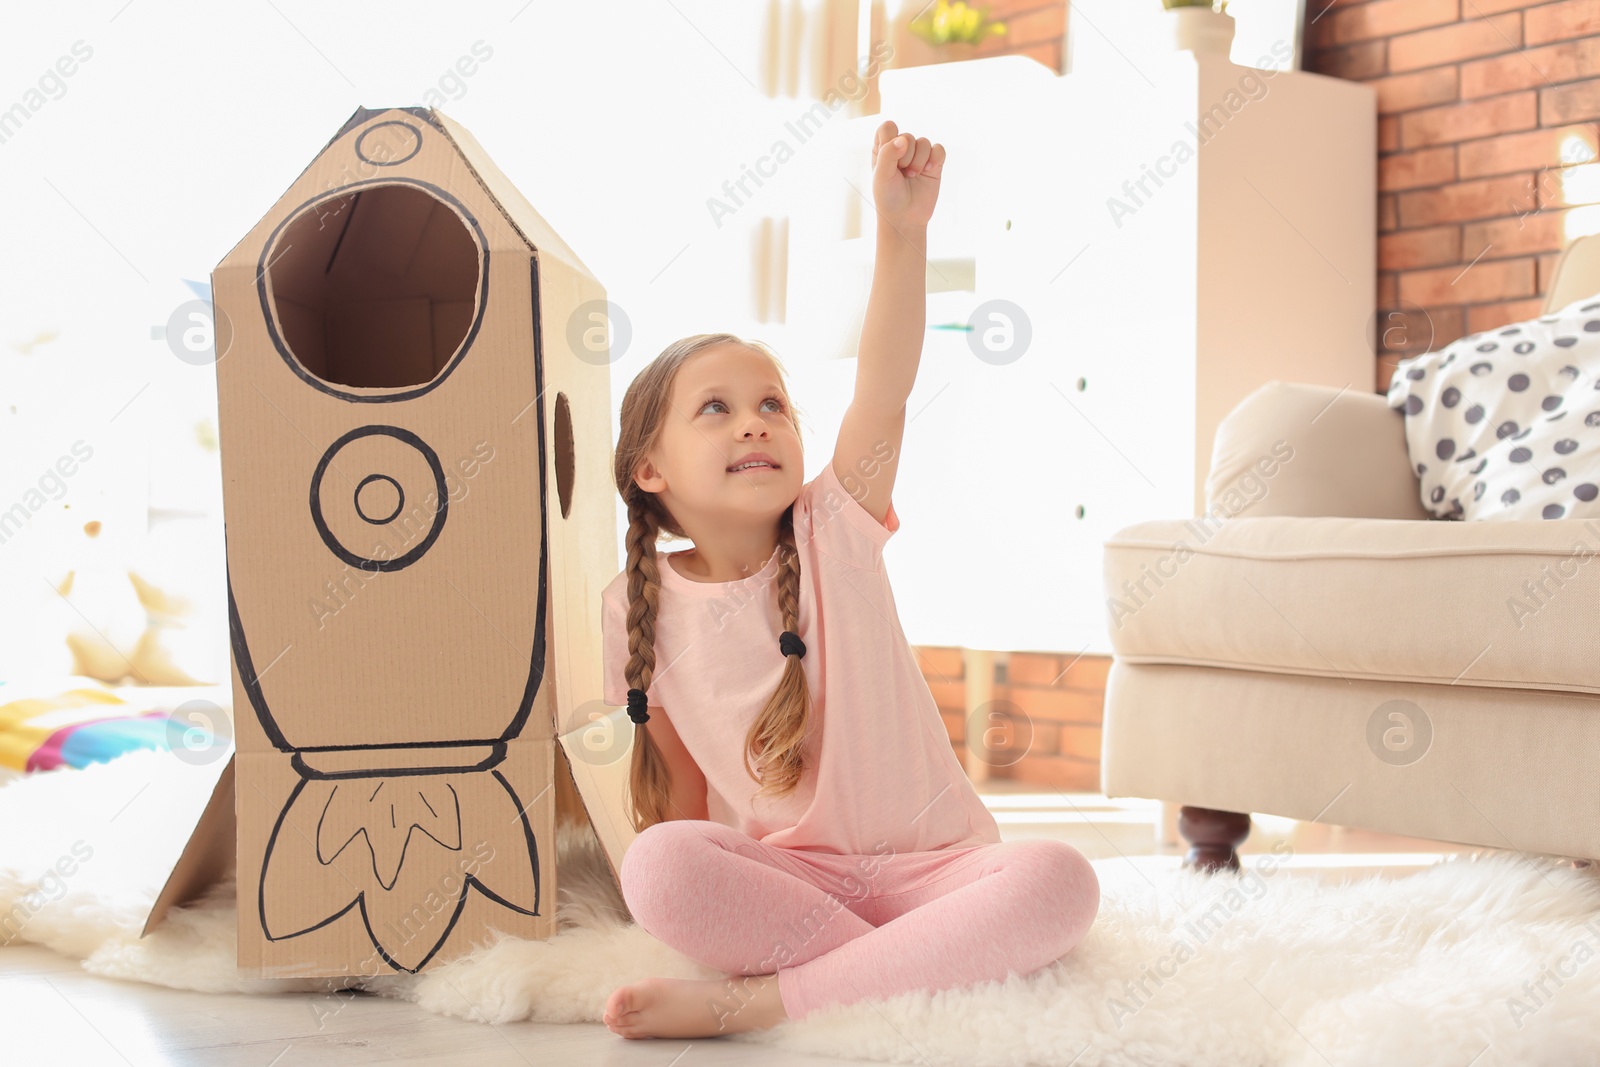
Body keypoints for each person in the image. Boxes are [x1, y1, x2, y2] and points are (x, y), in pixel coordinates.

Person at [599, 120, 1100, 1041]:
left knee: (1060, 881)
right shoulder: (635, 606)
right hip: (800, 884)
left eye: (772, 405)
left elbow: (886, 381)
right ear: (649, 469)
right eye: (716, 409)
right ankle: (895, 965)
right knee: (657, 864)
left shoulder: (834, 527)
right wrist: (688, 902)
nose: (755, 424)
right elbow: (678, 796)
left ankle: (775, 999)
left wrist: (902, 230)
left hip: (937, 871)